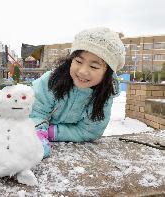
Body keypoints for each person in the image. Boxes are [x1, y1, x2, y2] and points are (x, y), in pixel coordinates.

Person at [30, 27, 125, 158]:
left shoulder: (103, 96)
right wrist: (38, 131)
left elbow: (90, 131)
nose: (82, 71)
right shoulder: (51, 81)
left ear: (107, 73)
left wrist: (52, 132)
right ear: (71, 59)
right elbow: (35, 112)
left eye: (94, 66)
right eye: (79, 61)